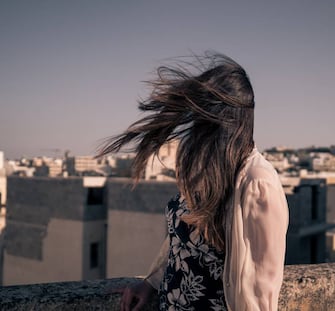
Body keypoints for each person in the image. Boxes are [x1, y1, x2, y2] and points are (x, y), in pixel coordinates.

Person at [98, 52, 289, 311]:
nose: (197, 124)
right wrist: (150, 284)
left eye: (204, 114)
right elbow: (180, 242)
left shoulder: (258, 183)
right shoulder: (207, 168)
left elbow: (260, 288)